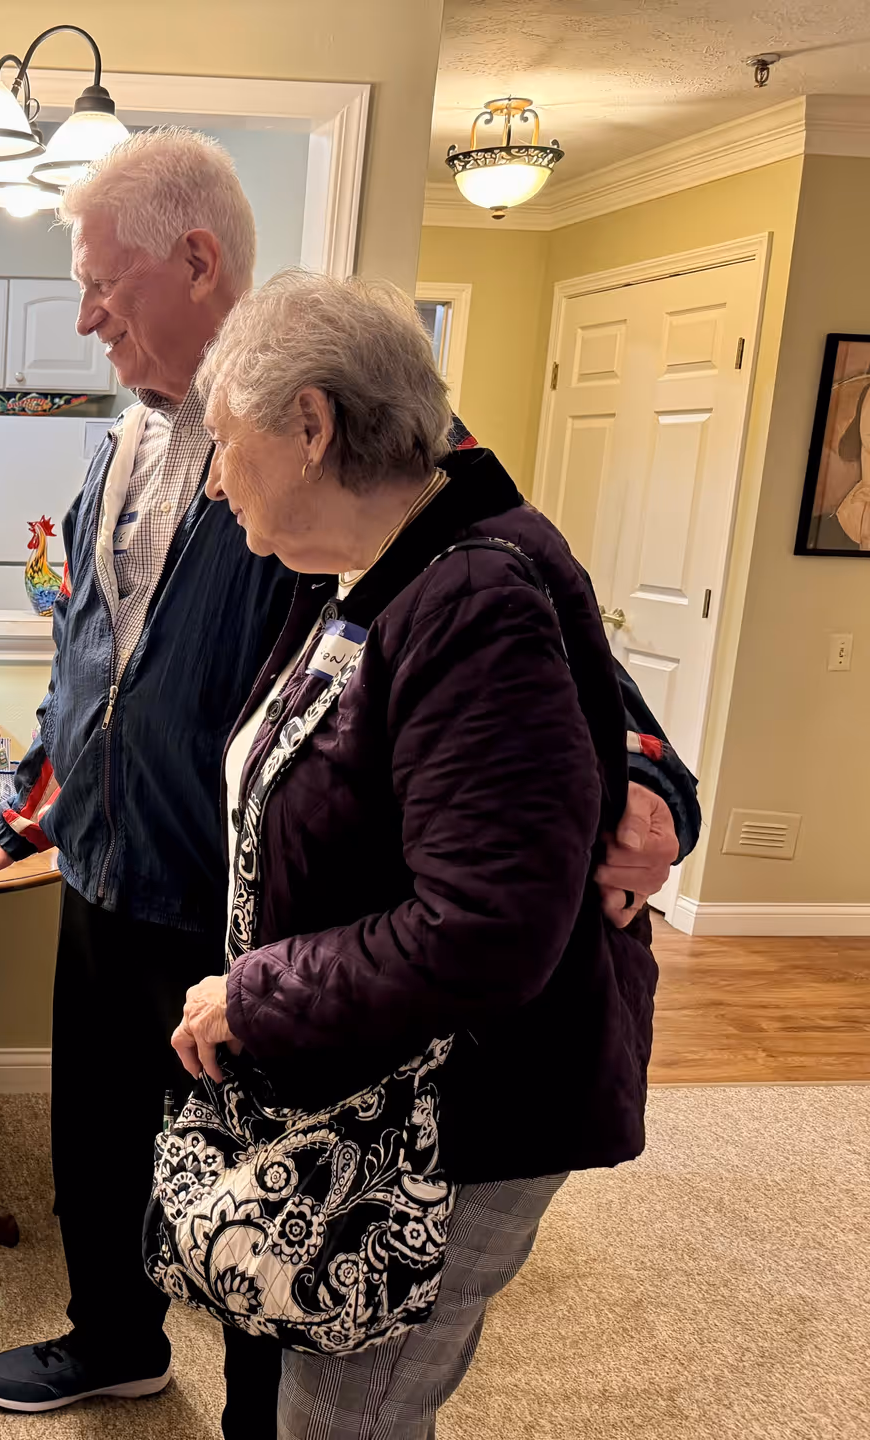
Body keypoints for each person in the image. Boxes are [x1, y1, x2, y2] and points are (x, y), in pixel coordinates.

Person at [0, 129, 699, 1426]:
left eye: (103, 287)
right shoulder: (115, 447)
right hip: (108, 867)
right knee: (102, 1140)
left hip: (241, 905)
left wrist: (651, 784)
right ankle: (114, 1337)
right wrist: (24, 814)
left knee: (274, 1177)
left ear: (195, 260)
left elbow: (535, 608)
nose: (85, 320)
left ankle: (260, 1412)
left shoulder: (339, 420)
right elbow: (95, 661)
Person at [168, 268, 660, 1437]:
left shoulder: (475, 593)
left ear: (310, 426)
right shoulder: (363, 571)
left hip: (463, 1113)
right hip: (375, 1076)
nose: (213, 474)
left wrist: (256, 991)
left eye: (225, 442)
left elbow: (487, 929)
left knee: (355, 1418)